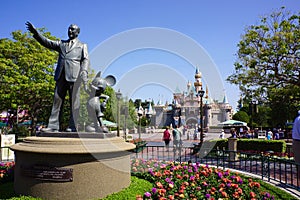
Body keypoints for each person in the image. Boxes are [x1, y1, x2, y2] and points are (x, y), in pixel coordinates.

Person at [26, 22, 89, 132]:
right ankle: (53, 126)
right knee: (57, 101)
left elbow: (85, 60)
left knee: (75, 103)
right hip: (61, 75)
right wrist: (36, 33)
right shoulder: (61, 44)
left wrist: (84, 71)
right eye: (69, 29)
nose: (70, 31)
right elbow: (47, 42)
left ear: (78, 32)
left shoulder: (82, 46)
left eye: (73, 30)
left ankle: (73, 126)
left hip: (74, 76)